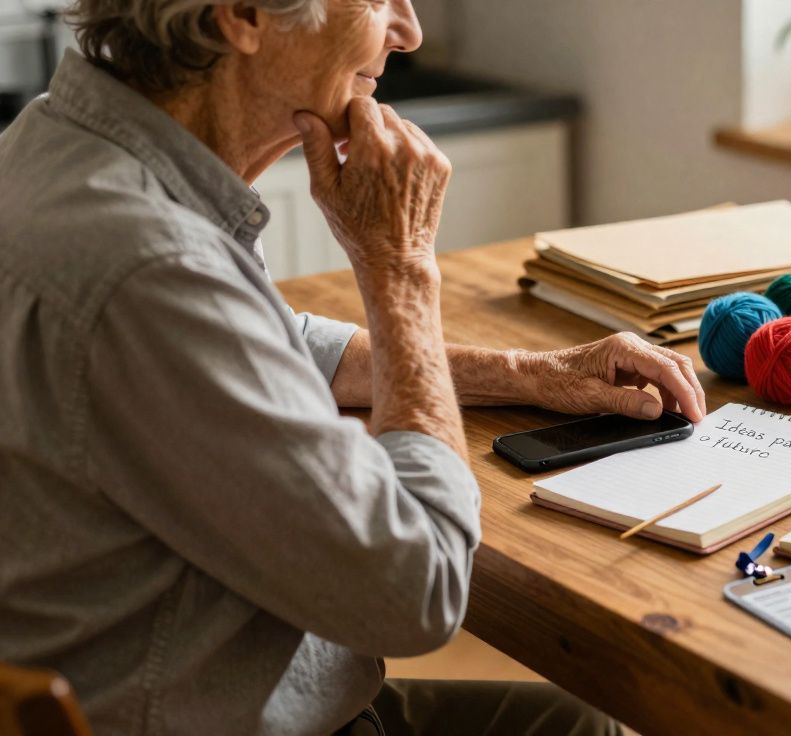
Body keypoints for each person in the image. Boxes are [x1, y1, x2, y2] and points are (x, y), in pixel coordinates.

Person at [0, 1, 709, 734]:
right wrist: (399, 269)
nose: (408, 30)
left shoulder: (62, 144)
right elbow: (421, 588)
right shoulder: (150, 269)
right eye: (376, 1)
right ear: (243, 14)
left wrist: (529, 373)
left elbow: (262, 343)